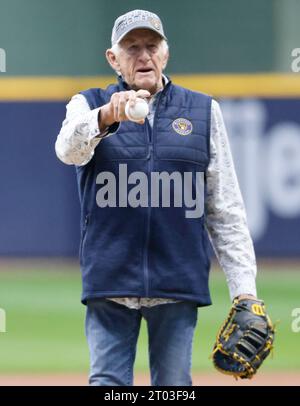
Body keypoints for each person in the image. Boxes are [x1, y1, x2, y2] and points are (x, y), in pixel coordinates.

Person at [55, 9, 258, 386]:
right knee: (107, 384)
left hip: (176, 279)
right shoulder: (88, 104)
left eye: (152, 46)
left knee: (174, 386)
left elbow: (224, 209)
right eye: (132, 48)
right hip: (111, 279)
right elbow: (68, 151)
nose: (144, 55)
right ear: (113, 59)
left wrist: (245, 291)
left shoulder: (203, 110)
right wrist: (103, 119)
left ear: (166, 53)